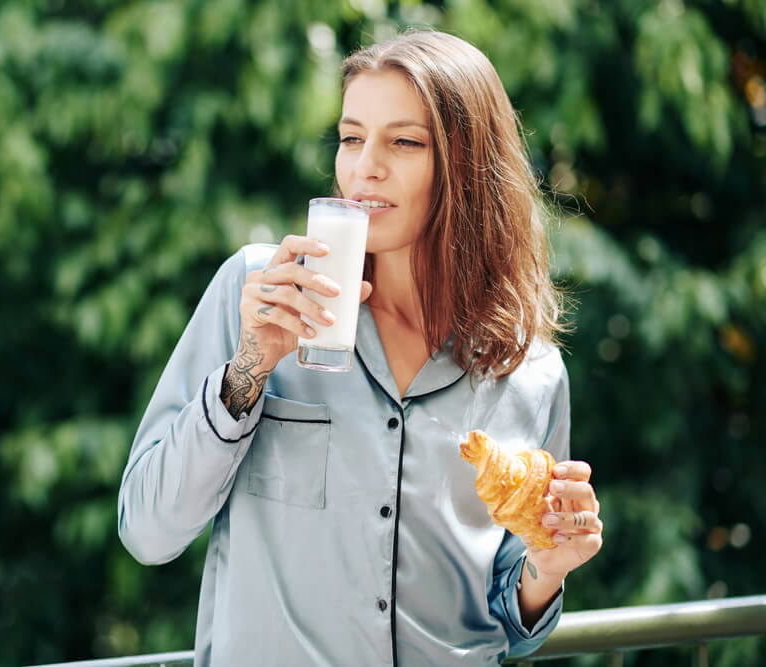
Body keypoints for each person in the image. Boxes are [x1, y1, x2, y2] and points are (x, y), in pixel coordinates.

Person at [118, 29, 603, 666]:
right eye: (351, 138)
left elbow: (510, 620)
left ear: (466, 165)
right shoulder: (259, 291)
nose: (364, 166)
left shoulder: (531, 369)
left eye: (403, 141)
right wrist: (248, 372)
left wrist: (548, 572)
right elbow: (147, 532)